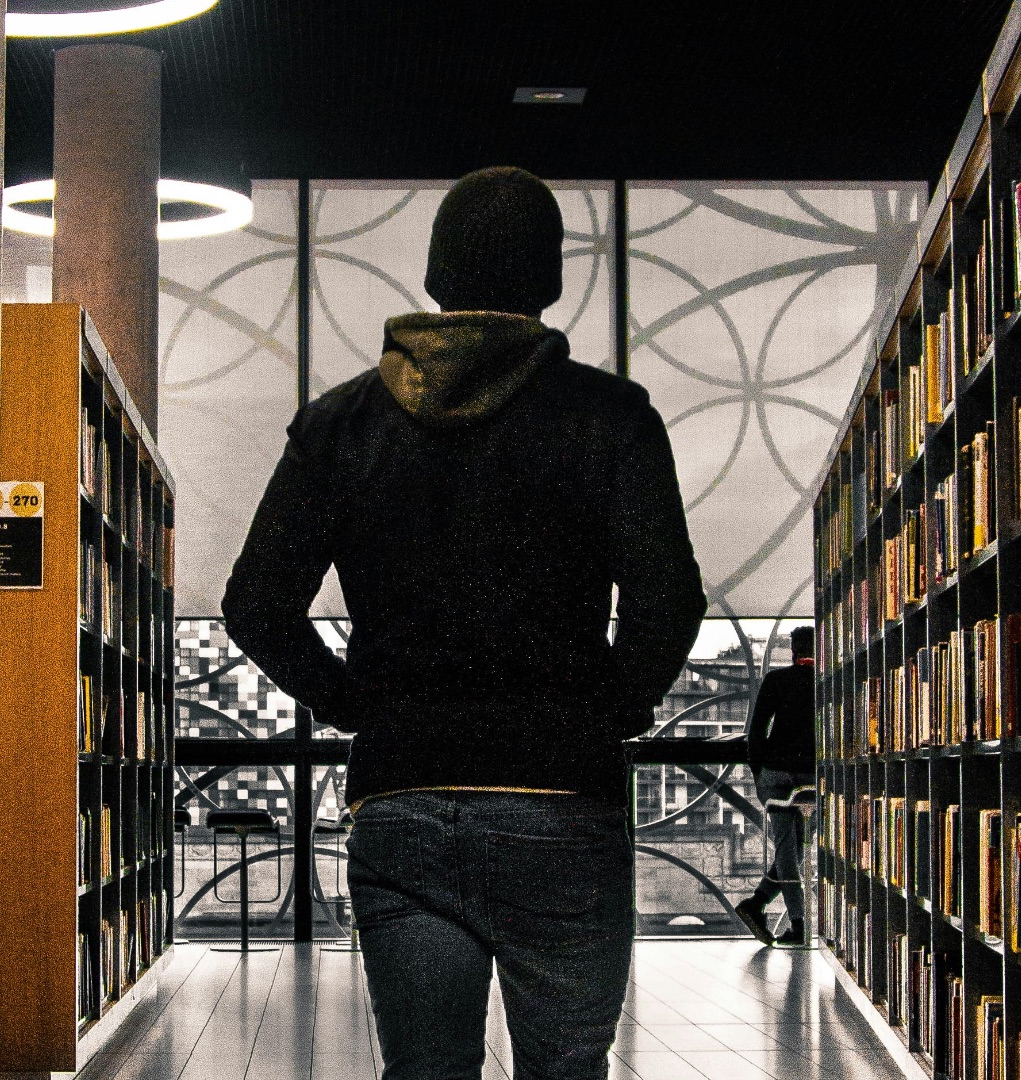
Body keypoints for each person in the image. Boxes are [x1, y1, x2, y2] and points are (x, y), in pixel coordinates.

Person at [221, 166, 707, 1080]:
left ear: (439, 272)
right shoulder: (610, 418)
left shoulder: (339, 424)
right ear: (553, 278)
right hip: (561, 793)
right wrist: (609, 706)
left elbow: (255, 604)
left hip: (401, 791)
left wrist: (353, 699)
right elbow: (669, 599)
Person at [734, 625, 817, 947]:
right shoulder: (831, 681)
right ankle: (791, 922)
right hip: (812, 776)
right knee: (796, 848)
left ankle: (761, 906)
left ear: (793, 651)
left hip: (776, 773)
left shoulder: (777, 680)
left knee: (787, 848)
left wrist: (759, 775)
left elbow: (755, 732)